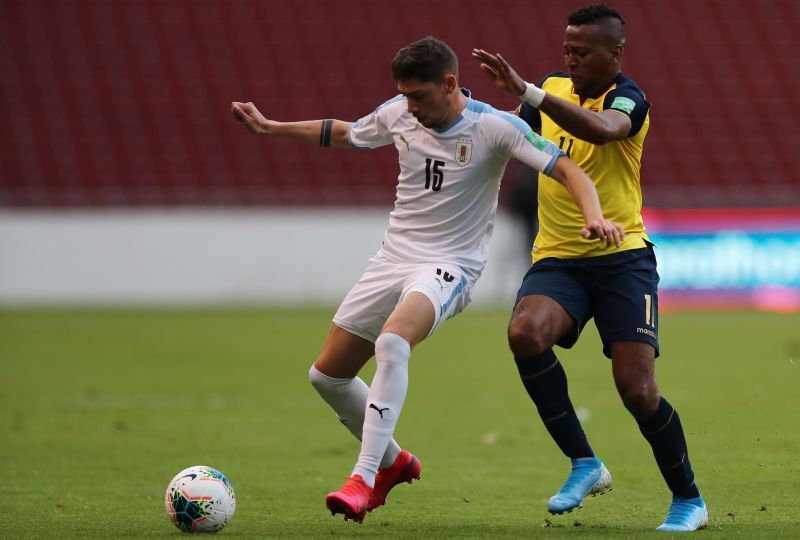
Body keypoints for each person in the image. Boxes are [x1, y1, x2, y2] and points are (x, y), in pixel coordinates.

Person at [232, 36, 623, 524]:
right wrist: (272, 128)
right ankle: (395, 461)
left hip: (450, 265)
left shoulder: (494, 127)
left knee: (394, 342)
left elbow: (567, 168)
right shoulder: (399, 112)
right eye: (404, 95)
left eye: (418, 95)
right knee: (327, 376)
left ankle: (365, 476)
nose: (409, 106)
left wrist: (594, 215)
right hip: (392, 258)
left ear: (450, 84)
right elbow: (348, 132)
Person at [472, 4, 707, 532]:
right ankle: (585, 462)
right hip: (558, 259)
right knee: (525, 334)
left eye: (581, 52)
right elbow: (510, 137)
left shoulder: (630, 97)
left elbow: (603, 131)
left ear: (614, 53)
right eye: (566, 50)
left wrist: (529, 91)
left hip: (623, 261)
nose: (570, 60)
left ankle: (688, 498)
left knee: (637, 392)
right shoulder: (553, 87)